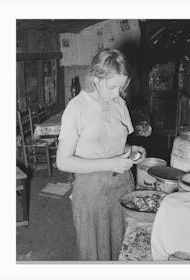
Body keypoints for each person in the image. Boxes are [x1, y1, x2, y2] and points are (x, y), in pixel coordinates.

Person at [56, 48, 146, 261]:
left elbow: (116, 146)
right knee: (95, 254)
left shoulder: (119, 104)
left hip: (122, 188)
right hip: (91, 194)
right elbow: (63, 161)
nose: (117, 93)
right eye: (112, 86)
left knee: (122, 248)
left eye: (121, 86)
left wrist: (132, 151)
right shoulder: (77, 108)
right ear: (96, 78)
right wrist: (110, 164)